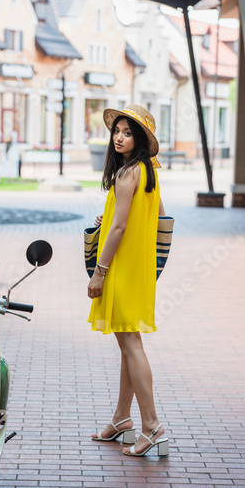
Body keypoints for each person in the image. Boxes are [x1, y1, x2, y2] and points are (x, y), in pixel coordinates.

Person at [87, 104, 169, 457]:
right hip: (140, 268)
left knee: (131, 345)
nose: (119, 137)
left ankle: (151, 426)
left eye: (127, 132)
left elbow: (120, 227)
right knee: (128, 344)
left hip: (120, 268)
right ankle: (122, 419)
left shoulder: (126, 175)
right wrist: (110, 217)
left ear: (139, 139)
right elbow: (160, 219)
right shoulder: (148, 173)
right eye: (117, 131)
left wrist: (98, 272)